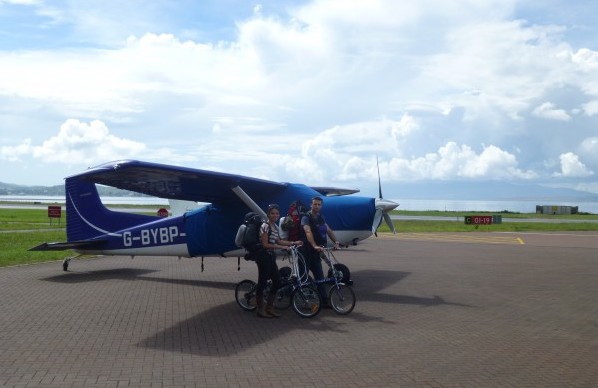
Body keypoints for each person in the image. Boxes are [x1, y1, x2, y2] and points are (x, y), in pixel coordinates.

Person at [255, 204, 303, 318]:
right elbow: (265, 244)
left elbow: (279, 241)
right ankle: (260, 310)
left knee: (277, 282)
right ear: (268, 214)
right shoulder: (265, 226)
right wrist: (281, 248)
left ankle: (269, 307)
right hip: (263, 257)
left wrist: (293, 242)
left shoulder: (275, 227)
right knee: (262, 283)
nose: (275, 215)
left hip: (271, 257)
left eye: (277, 213)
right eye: (273, 213)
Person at [300, 196, 340, 307]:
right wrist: (314, 245)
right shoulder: (305, 217)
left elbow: (328, 230)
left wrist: (336, 241)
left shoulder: (320, 217)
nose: (317, 206)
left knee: (320, 278)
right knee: (303, 278)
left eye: (319, 204)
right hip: (305, 252)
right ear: (310, 205)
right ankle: (304, 303)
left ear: (321, 206)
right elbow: (308, 231)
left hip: (315, 253)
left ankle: (324, 302)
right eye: (315, 204)